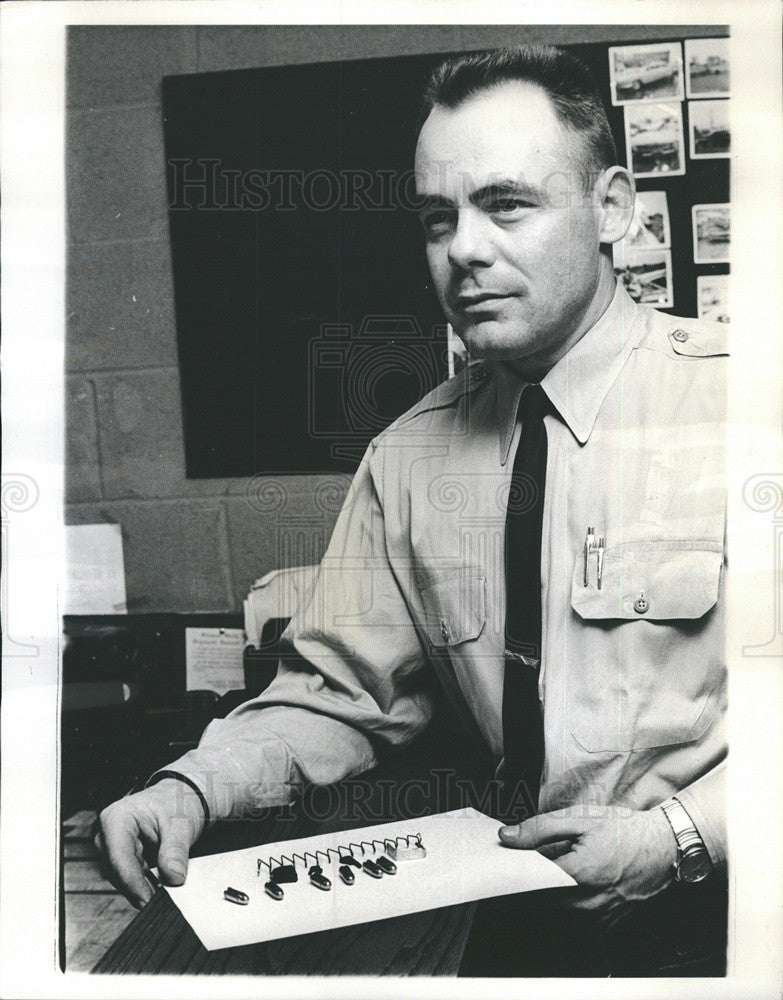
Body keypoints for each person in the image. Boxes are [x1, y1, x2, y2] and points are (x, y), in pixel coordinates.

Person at [96, 45, 728, 976]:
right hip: (520, 910)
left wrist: (677, 836)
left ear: (612, 209)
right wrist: (194, 786)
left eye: (506, 202)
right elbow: (339, 696)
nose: (464, 248)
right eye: (439, 217)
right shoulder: (407, 457)